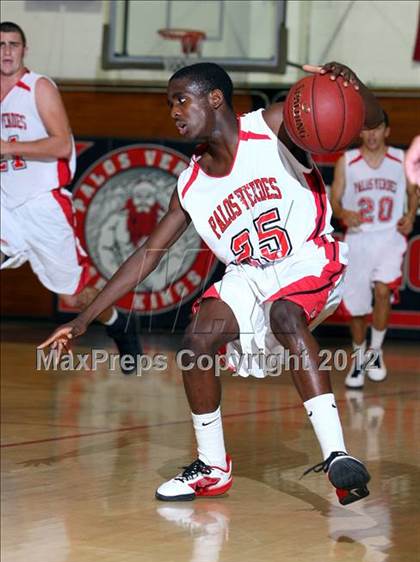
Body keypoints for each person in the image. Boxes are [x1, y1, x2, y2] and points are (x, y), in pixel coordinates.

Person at [39, 60, 386, 506]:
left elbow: (370, 121)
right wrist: (83, 320)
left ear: (215, 98)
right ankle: (212, 467)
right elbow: (146, 256)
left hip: (305, 257)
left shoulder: (277, 123)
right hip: (249, 273)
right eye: (170, 104)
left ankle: (338, 457)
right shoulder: (191, 184)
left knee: (284, 312)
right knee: (196, 340)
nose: (174, 112)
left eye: (181, 100)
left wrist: (353, 89)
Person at [0, 21, 142, 373]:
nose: (6, 51)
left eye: (13, 45)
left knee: (76, 294)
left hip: (42, 204)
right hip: (5, 203)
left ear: (24, 50)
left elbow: (62, 144)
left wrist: (8, 147)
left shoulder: (39, 87)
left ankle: (119, 324)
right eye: (0, 44)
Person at [331, 113, 418, 389]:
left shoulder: (400, 159)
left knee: (383, 290)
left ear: (387, 130)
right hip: (358, 239)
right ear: (360, 133)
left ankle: (376, 351)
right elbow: (334, 197)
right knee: (356, 307)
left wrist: (411, 215)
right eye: (366, 129)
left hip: (389, 236)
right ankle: (359, 356)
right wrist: (343, 211)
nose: (371, 135)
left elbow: (413, 192)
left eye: (377, 129)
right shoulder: (347, 161)